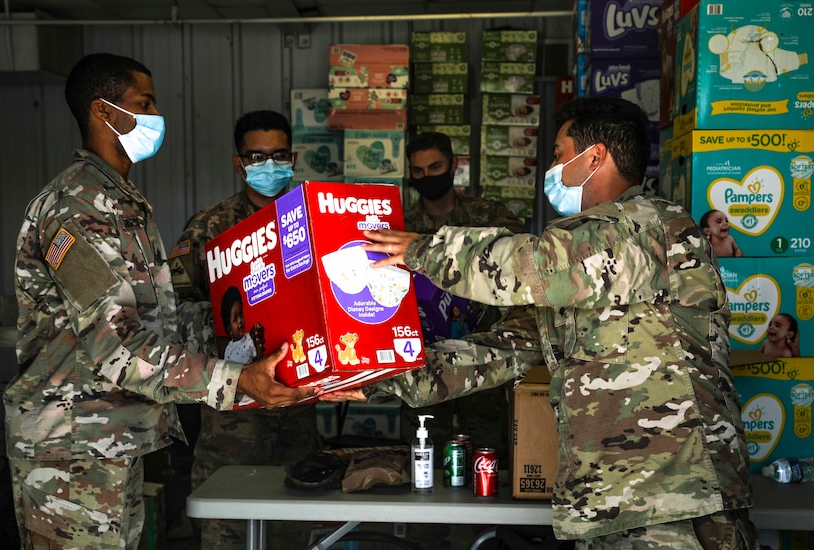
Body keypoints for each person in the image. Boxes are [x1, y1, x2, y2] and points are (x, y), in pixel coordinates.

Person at [323, 97, 760, 549]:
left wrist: (421, 250)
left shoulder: (651, 228)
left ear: (595, 157)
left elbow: (529, 267)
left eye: (557, 153)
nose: (551, 167)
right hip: (612, 509)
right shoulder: (585, 271)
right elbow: (501, 352)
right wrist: (376, 374)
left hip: (678, 505)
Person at [5, 53, 316, 550]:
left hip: (107, 437)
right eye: (143, 103)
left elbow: (168, 322)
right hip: (72, 449)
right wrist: (235, 380)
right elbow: (117, 345)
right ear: (104, 112)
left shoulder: (120, 204)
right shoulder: (76, 210)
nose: (155, 116)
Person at [168, 109, 320, 549]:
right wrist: (228, 334)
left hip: (298, 418)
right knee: (226, 533)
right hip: (231, 426)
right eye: (257, 156)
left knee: (293, 535)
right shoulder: (209, 229)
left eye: (278, 155)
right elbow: (174, 313)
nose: (269, 165)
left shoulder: (312, 219)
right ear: (238, 163)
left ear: (293, 157)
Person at [403, 131, 528, 549]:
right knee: (422, 467)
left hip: (482, 365)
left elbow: (525, 271)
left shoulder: (489, 215)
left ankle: (492, 541)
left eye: (435, 168)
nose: (427, 177)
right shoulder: (400, 226)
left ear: (453, 165)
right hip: (421, 365)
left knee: (490, 465)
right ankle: (428, 542)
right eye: (418, 172)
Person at [220, 285, 264, 364]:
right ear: (230, 330)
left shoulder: (250, 338)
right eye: (235, 319)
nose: (240, 320)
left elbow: (257, 359)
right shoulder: (228, 349)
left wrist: (258, 345)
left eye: (241, 315)